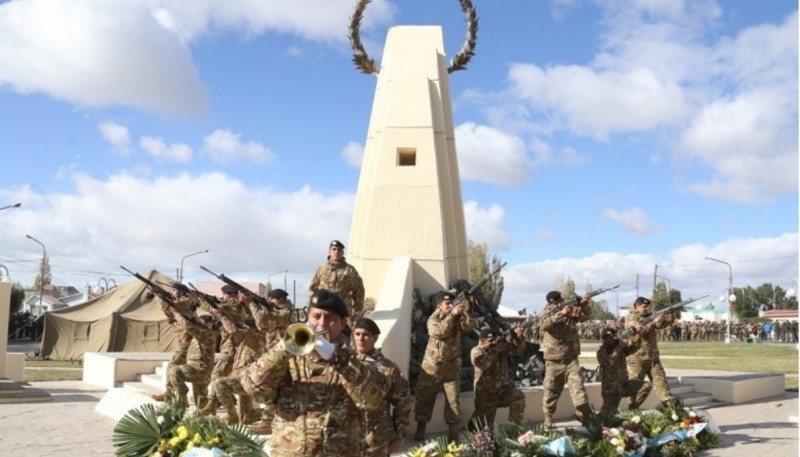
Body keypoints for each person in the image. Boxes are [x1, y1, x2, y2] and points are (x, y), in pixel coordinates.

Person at [242, 289, 385, 456]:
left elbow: (373, 400)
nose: (322, 324)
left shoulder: (357, 361)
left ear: (343, 322)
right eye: (316, 317)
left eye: (330, 318)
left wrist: (335, 356)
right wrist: (286, 347)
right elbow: (252, 387)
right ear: (307, 318)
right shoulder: (287, 360)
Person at [413, 291, 476, 442]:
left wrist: (467, 309)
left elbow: (469, 326)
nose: (450, 306)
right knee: (424, 400)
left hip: (451, 370)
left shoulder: (456, 318)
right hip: (432, 369)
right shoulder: (433, 319)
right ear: (439, 306)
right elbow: (439, 331)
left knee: (453, 403)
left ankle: (453, 437)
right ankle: (420, 431)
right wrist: (453, 315)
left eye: (451, 303)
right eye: (447, 304)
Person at [352, 317, 411, 457]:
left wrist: (399, 435)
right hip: (348, 437)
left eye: (366, 334)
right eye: (357, 334)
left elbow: (402, 402)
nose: (361, 339)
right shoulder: (346, 363)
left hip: (377, 439)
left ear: (375, 337)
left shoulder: (388, 368)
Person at [241, 287, 294, 433]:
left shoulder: (287, 312)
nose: (270, 301)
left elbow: (263, 323)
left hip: (284, 355)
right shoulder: (276, 311)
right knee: (274, 387)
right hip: (275, 353)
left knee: (276, 387)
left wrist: (252, 303)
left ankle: (268, 422)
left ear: (281, 300)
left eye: (273, 299)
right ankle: (269, 420)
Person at [539, 290, 593, 427]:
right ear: (551, 304)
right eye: (556, 303)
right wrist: (560, 314)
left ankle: (582, 414)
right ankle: (548, 417)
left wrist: (584, 305)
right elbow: (543, 325)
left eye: (560, 302)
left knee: (579, 388)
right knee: (551, 390)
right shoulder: (546, 312)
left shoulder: (569, 309)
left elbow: (585, 316)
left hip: (571, 358)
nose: (559, 304)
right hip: (554, 359)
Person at [202, 317, 265, 425]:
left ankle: (232, 415)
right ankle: (271, 413)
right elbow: (229, 336)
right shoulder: (243, 344)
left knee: (220, 384)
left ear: (250, 329)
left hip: (247, 380)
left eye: (244, 328)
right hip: (240, 378)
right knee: (245, 417)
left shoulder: (255, 337)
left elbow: (234, 331)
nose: (242, 330)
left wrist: (221, 315)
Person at [198, 284, 247, 411]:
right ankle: (224, 399)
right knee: (224, 377)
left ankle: (213, 403)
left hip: (231, 347)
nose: (222, 297)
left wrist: (198, 299)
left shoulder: (229, 306)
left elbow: (213, 310)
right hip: (232, 346)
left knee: (217, 373)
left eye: (224, 294)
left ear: (230, 294)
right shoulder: (235, 306)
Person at [469, 326, 527, 430]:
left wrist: (519, 338)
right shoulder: (476, 351)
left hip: (501, 391)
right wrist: (496, 350)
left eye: (495, 340)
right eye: (490, 340)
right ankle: (473, 426)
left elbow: (516, 351)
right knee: (487, 428)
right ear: (482, 341)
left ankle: (515, 431)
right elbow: (482, 363)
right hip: (486, 395)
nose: (494, 342)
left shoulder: (500, 349)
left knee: (518, 396)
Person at [152, 282, 200, 402]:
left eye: (174, 290)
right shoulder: (181, 301)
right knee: (175, 366)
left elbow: (170, 309)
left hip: (187, 340)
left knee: (173, 365)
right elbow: (169, 313)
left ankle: (170, 393)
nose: (172, 292)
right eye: (172, 290)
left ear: (181, 292)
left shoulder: (186, 300)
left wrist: (159, 295)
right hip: (183, 339)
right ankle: (173, 391)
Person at [624, 297, 675, 406]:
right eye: (644, 306)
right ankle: (631, 412)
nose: (647, 308)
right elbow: (640, 331)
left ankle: (672, 412)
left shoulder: (649, 316)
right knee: (635, 389)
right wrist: (653, 322)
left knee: (663, 387)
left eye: (648, 306)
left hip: (653, 359)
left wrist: (669, 316)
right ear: (636, 307)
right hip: (637, 359)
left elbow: (660, 325)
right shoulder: (631, 318)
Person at [596, 327, 652, 425]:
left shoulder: (620, 348)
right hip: (611, 391)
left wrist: (636, 335)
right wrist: (619, 347)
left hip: (624, 386)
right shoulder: (601, 352)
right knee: (608, 419)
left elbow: (635, 348)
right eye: (610, 337)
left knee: (646, 386)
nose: (613, 338)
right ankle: (596, 418)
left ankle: (632, 409)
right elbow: (609, 361)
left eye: (614, 336)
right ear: (604, 338)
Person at [309, 239, 365, 327]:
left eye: (339, 250)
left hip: (343, 312)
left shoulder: (350, 270)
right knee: (321, 336)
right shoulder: (321, 269)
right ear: (329, 251)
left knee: (344, 337)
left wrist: (357, 312)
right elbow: (313, 288)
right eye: (334, 249)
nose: (336, 252)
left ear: (343, 252)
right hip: (323, 311)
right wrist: (312, 306)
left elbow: (359, 291)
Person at [167, 314, 218, 407]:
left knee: (174, 371)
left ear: (208, 324)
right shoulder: (196, 335)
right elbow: (185, 332)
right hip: (196, 370)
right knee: (200, 405)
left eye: (201, 322)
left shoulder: (207, 334)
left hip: (200, 371)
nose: (198, 323)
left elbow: (188, 327)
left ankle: (182, 401)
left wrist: (177, 313)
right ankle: (206, 414)